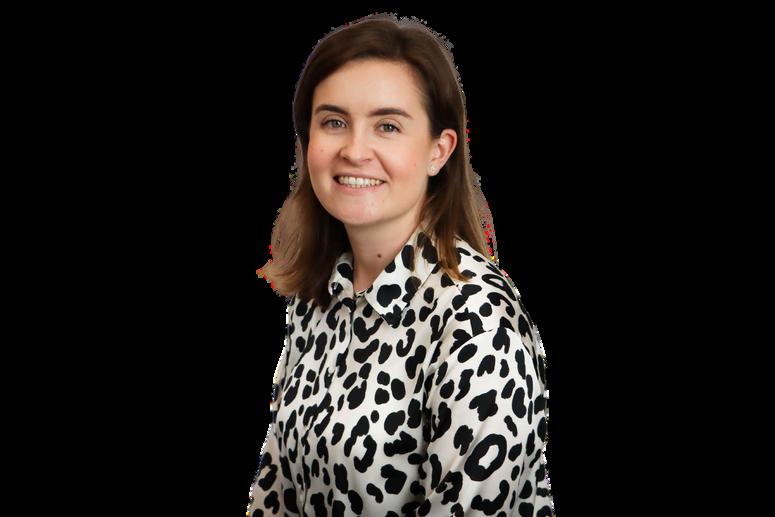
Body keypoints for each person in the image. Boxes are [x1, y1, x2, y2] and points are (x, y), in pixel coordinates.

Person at [250, 12, 554, 516]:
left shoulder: (477, 323)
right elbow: (277, 490)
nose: (354, 150)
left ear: (439, 150)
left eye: (387, 126)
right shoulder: (319, 294)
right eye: (334, 122)